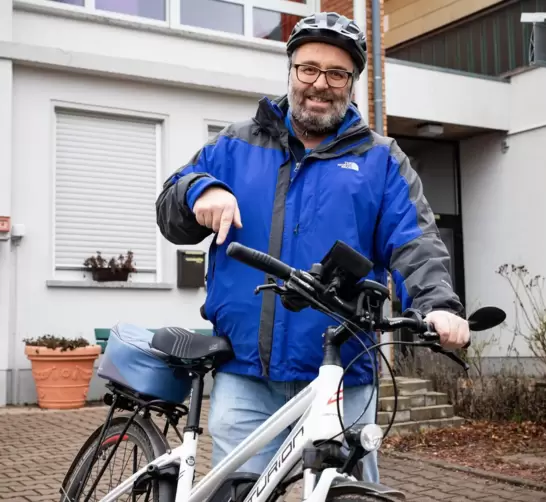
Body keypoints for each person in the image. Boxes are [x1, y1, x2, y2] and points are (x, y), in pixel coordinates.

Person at [155, 11, 469, 483]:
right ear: (291, 72)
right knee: (236, 493)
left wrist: (438, 305)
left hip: (342, 376)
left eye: (337, 73)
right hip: (245, 374)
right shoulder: (235, 145)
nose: (320, 84)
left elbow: (416, 240)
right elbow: (170, 208)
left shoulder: (380, 159)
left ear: (352, 83)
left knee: (342, 489)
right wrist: (200, 189)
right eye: (309, 69)